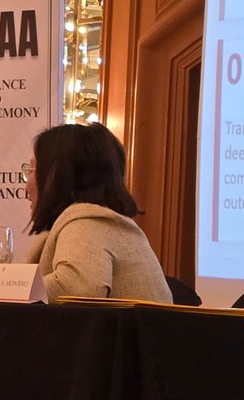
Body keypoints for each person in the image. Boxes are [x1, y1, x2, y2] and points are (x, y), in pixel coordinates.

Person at [23, 123, 170, 303]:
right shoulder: (95, 220)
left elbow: (75, 288)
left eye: (31, 170)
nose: (26, 184)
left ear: (56, 176)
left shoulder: (87, 223)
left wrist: (11, 289)